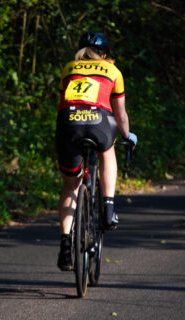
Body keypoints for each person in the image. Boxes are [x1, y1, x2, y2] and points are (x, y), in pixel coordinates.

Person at [55, 32, 137, 271]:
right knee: (107, 149)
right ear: (105, 55)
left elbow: (62, 103)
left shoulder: (69, 68)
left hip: (69, 121)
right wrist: (126, 136)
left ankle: (65, 245)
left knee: (70, 185)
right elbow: (120, 114)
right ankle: (109, 207)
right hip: (99, 120)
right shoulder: (113, 71)